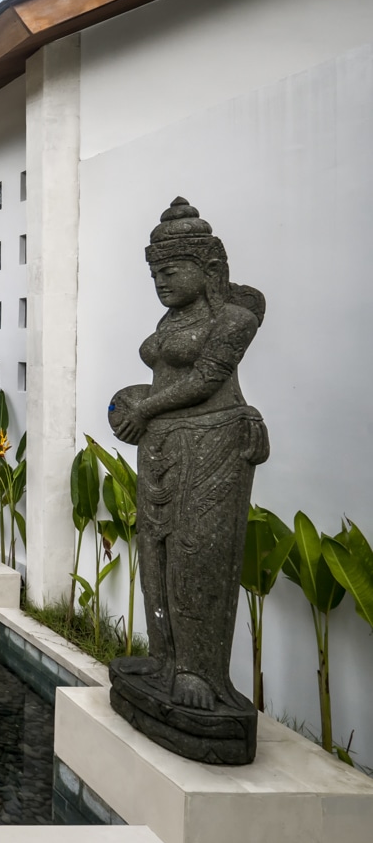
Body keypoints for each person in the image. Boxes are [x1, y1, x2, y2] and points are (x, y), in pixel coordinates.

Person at [107, 196, 268, 764]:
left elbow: (204, 380)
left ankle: (199, 670)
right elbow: (167, 376)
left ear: (207, 268)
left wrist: (146, 408)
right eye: (154, 272)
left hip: (213, 441)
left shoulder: (234, 318)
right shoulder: (171, 319)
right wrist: (136, 406)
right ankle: (163, 658)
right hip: (163, 450)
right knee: (155, 553)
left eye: (170, 271)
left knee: (199, 556)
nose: (160, 281)